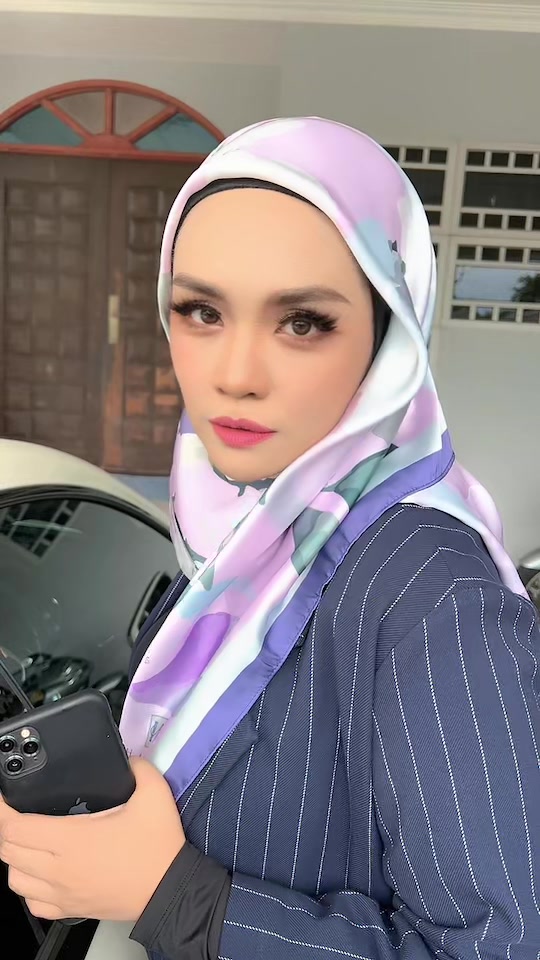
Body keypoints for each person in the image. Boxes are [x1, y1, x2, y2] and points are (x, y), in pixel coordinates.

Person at [0, 118, 538, 960]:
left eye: (303, 323)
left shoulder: (433, 597)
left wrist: (173, 896)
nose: (236, 374)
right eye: (202, 311)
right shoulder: (241, 532)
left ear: (390, 336)